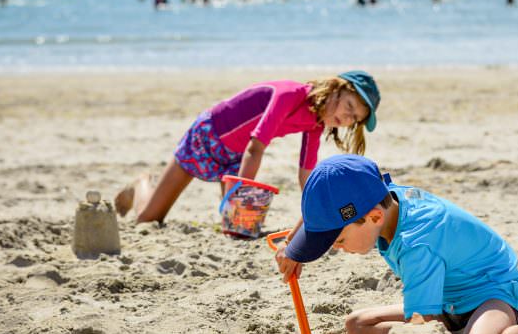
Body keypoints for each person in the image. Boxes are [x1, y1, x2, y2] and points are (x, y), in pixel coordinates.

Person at [274, 155, 518, 334]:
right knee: (358, 327)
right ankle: (449, 333)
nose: (337, 249)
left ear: (373, 218)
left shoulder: (418, 242)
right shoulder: (382, 197)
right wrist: (294, 247)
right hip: (446, 297)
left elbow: (420, 324)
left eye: (338, 241)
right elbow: (329, 199)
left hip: (493, 292)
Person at [115, 72, 382, 226]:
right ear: (336, 88)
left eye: (354, 119)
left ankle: (233, 214)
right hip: (207, 136)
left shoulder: (315, 124)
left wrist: (317, 213)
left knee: (239, 228)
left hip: (236, 159)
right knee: (149, 220)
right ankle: (139, 185)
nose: (348, 119)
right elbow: (256, 148)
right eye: (349, 107)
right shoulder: (290, 94)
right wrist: (239, 198)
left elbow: (306, 174)